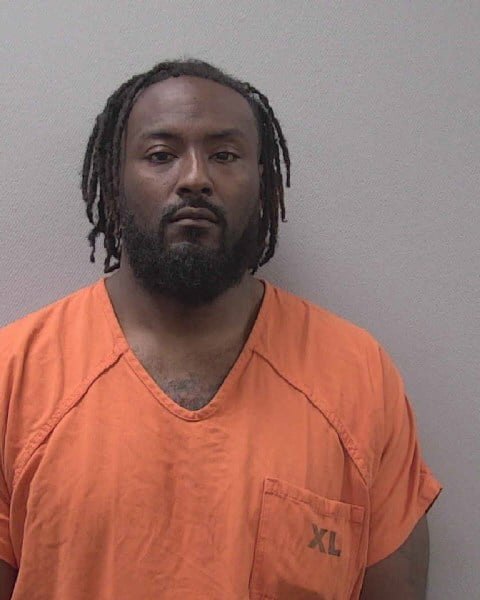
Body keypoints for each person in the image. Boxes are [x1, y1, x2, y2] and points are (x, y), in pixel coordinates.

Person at [0, 59, 441, 600]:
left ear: (262, 182)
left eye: (224, 155)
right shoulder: (15, 374)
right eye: (161, 155)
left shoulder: (358, 376)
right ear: (115, 183)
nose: (194, 178)